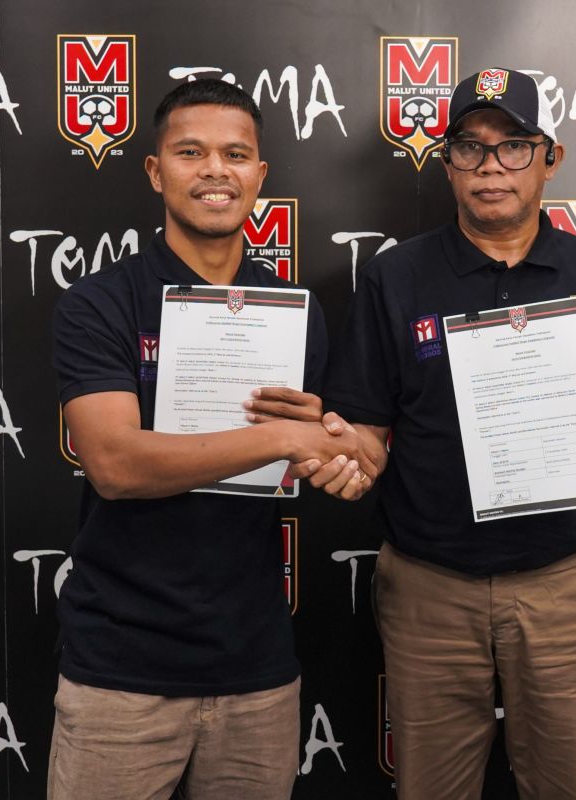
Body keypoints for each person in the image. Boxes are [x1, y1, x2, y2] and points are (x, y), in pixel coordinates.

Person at [268, 68, 576, 799]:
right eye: (469, 147)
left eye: (513, 146)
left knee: (566, 787)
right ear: (447, 163)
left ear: (550, 158)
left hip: (564, 585)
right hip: (431, 586)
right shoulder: (395, 278)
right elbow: (366, 435)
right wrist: (342, 456)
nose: (491, 166)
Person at [47, 79, 374, 800]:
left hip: (255, 668)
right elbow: (115, 466)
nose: (215, 170)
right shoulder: (100, 302)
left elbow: (335, 453)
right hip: (121, 671)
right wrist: (282, 437)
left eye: (235, 154)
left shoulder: (293, 312)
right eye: (190, 152)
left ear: (260, 174)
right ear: (155, 170)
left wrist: (329, 451)